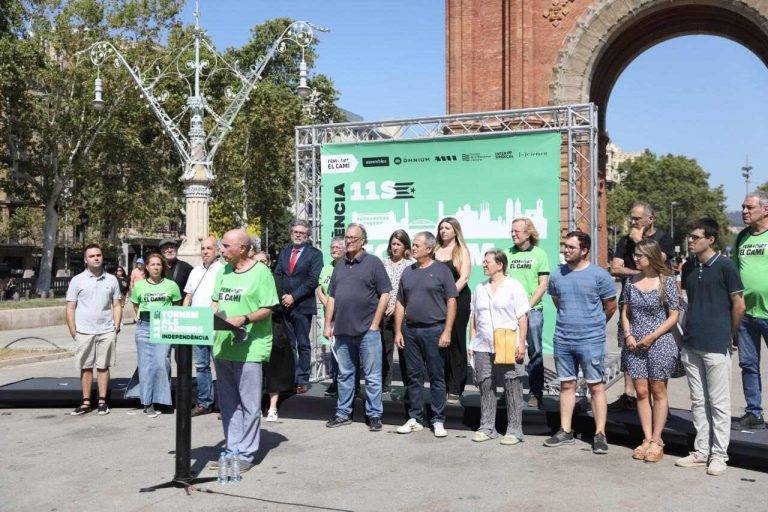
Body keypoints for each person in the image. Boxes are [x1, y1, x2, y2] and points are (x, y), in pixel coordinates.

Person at [675, 219, 745, 476]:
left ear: (710, 240)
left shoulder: (726, 266)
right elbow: (687, 302)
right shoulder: (689, 266)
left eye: (695, 237)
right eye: (689, 236)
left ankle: (719, 455)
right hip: (691, 343)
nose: (690, 240)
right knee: (697, 400)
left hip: (716, 344)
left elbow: (739, 305)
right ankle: (701, 451)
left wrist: (729, 334)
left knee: (719, 402)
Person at [209, 229, 279, 474]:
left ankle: (246, 454)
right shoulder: (223, 271)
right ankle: (232, 449)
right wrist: (216, 314)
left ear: (242, 248)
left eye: (226, 246)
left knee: (249, 403)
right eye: (222, 246)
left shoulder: (262, 273)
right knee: (228, 404)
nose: (222, 250)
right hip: (223, 345)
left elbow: (269, 307)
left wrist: (244, 318)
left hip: (250, 347)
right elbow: (216, 301)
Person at [544, 231, 617, 454]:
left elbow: (611, 306)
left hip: (591, 339)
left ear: (584, 250)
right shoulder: (557, 275)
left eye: (571, 248)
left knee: (595, 385)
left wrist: (593, 326)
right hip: (563, 339)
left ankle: (600, 433)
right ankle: (565, 431)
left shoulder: (599, 275)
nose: (566, 251)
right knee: (567, 384)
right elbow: (558, 301)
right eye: (565, 246)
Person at [323, 223, 391, 432]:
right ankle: (343, 413)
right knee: (344, 375)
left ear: (363, 241)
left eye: (354, 237)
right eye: (347, 237)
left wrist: (375, 324)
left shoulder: (373, 263)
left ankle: (374, 415)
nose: (349, 241)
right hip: (342, 331)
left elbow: (385, 294)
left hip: (367, 331)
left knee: (372, 376)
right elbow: (332, 297)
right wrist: (327, 324)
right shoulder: (339, 265)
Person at [620, 239, 681, 462]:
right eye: (635, 255)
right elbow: (625, 312)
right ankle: (646, 438)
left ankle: (657, 439)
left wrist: (652, 336)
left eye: (640, 255)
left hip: (660, 341)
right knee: (641, 392)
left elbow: (674, 314)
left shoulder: (667, 281)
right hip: (635, 343)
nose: (636, 258)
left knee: (658, 390)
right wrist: (628, 334)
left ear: (652, 256)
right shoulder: (630, 282)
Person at [609, 201, 674, 412]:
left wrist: (640, 242)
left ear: (650, 219)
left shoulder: (663, 238)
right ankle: (629, 394)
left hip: (656, 302)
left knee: (656, 354)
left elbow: (660, 264)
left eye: (637, 218)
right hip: (630, 298)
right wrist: (637, 274)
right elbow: (615, 267)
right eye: (632, 218)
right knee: (629, 345)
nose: (633, 222)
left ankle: (658, 400)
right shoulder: (624, 240)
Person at [394, 232, 457, 438]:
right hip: (410, 331)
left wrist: (447, 330)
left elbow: (451, 301)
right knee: (413, 376)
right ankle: (415, 418)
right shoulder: (408, 271)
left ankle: (438, 419)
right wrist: (398, 331)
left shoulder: (442, 271)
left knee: (437, 376)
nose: (413, 248)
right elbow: (400, 302)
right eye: (412, 244)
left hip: (435, 330)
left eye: (417, 245)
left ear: (429, 249)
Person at [469, 249, 529, 444]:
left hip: (508, 343)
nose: (484, 264)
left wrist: (521, 343)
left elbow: (522, 317)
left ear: (500, 264)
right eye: (483, 261)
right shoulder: (479, 288)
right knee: (485, 383)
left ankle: (514, 430)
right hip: (483, 344)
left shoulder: (514, 286)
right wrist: (472, 342)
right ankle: (487, 427)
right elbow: (475, 318)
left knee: (512, 385)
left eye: (487, 261)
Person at [66, 244, 122, 416]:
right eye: (92, 256)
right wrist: (74, 331)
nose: (96, 258)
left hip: (106, 330)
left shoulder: (112, 279)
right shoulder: (77, 280)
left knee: (103, 366)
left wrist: (116, 326)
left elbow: (117, 304)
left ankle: (102, 401)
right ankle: (85, 401)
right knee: (86, 366)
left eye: (98, 255)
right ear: (85, 260)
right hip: (84, 331)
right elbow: (70, 307)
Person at [125, 253, 182, 417]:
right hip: (144, 326)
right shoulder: (140, 286)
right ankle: (147, 402)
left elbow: (176, 305)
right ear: (147, 267)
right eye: (153, 264)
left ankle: (162, 400)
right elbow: (136, 305)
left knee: (161, 363)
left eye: (159, 264)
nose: (156, 267)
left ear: (162, 267)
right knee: (145, 365)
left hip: (164, 325)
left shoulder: (171, 285)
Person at [274, 220, 323, 394]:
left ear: (307, 235)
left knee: (303, 344)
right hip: (285, 306)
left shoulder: (315, 254)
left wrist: (293, 297)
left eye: (301, 232)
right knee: (289, 344)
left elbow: (313, 280)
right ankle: (290, 377)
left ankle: (302, 379)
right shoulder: (285, 252)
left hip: (302, 306)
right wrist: (282, 298)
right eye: (295, 231)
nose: (297, 234)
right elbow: (278, 274)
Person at [732, 190, 768, 430]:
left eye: (749, 208)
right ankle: (754, 413)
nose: (744, 212)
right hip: (746, 315)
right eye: (743, 207)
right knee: (748, 364)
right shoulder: (742, 237)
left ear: (765, 210)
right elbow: (735, 273)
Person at [506, 217, 550, 408]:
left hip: (532, 311)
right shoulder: (507, 254)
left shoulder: (540, 254)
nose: (514, 234)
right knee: (508, 353)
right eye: (512, 231)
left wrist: (527, 306)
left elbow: (543, 285)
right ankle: (509, 392)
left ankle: (535, 393)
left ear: (528, 233)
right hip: (510, 313)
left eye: (517, 231)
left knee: (535, 352)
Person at [182, 235, 223, 417]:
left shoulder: (224, 270)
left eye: (209, 248)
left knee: (221, 367)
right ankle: (204, 402)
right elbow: (188, 296)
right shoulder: (195, 271)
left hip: (216, 326)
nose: (205, 252)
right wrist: (184, 316)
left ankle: (225, 403)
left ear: (217, 250)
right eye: (203, 249)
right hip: (197, 327)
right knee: (201, 366)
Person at [435, 217, 471, 404]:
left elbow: (464, 278)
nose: (443, 231)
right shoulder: (434, 250)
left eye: (447, 228)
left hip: (457, 300)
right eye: (441, 228)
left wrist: (447, 296)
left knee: (455, 341)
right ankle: (442, 384)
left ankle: (456, 387)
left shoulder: (461, 250)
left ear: (455, 230)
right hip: (435, 303)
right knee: (439, 343)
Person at [256, 250, 296, 423]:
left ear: (269, 263)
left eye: (263, 261)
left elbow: (278, 306)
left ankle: (272, 408)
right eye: (256, 261)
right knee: (255, 372)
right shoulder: (249, 280)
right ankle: (255, 407)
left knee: (274, 370)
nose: (260, 265)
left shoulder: (276, 280)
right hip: (254, 331)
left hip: (274, 329)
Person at [382, 229, 414, 396]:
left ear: (405, 247)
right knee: (385, 350)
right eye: (393, 244)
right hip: (384, 313)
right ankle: (384, 385)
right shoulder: (383, 263)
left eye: (398, 244)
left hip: (403, 313)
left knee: (404, 351)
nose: (395, 247)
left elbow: (411, 291)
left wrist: (397, 307)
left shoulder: (410, 265)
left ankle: (409, 386)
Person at [316, 236, 346, 397]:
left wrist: (333, 304)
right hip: (330, 316)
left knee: (345, 351)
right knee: (333, 350)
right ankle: (335, 382)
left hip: (344, 315)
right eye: (332, 247)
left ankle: (348, 385)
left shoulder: (347, 267)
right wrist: (327, 303)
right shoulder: (327, 267)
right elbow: (319, 289)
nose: (333, 250)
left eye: (337, 247)